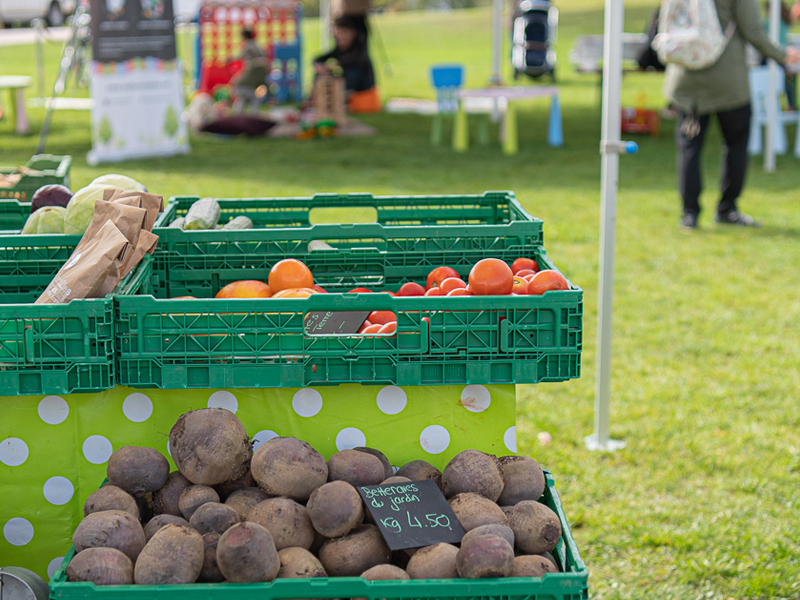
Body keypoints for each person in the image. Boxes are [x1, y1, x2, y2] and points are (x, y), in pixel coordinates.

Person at [665, 0, 800, 230]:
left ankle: (690, 214)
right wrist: (782, 55)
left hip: (687, 76)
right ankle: (727, 209)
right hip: (727, 80)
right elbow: (753, 31)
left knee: (690, 147)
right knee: (735, 143)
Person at [313, 16, 376, 95]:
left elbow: (350, 60)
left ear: (352, 33)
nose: (340, 38)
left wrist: (331, 66)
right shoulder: (339, 49)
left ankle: (342, 99)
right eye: (338, 34)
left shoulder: (359, 49)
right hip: (347, 85)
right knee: (322, 75)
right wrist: (319, 65)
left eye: (343, 33)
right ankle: (314, 99)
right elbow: (319, 58)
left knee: (352, 73)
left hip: (363, 90)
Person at [231, 29, 267, 115]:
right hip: (245, 85)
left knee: (242, 100)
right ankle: (252, 115)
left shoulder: (248, 45)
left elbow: (241, 55)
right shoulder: (256, 45)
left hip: (241, 85)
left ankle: (237, 116)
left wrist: (231, 59)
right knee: (254, 98)